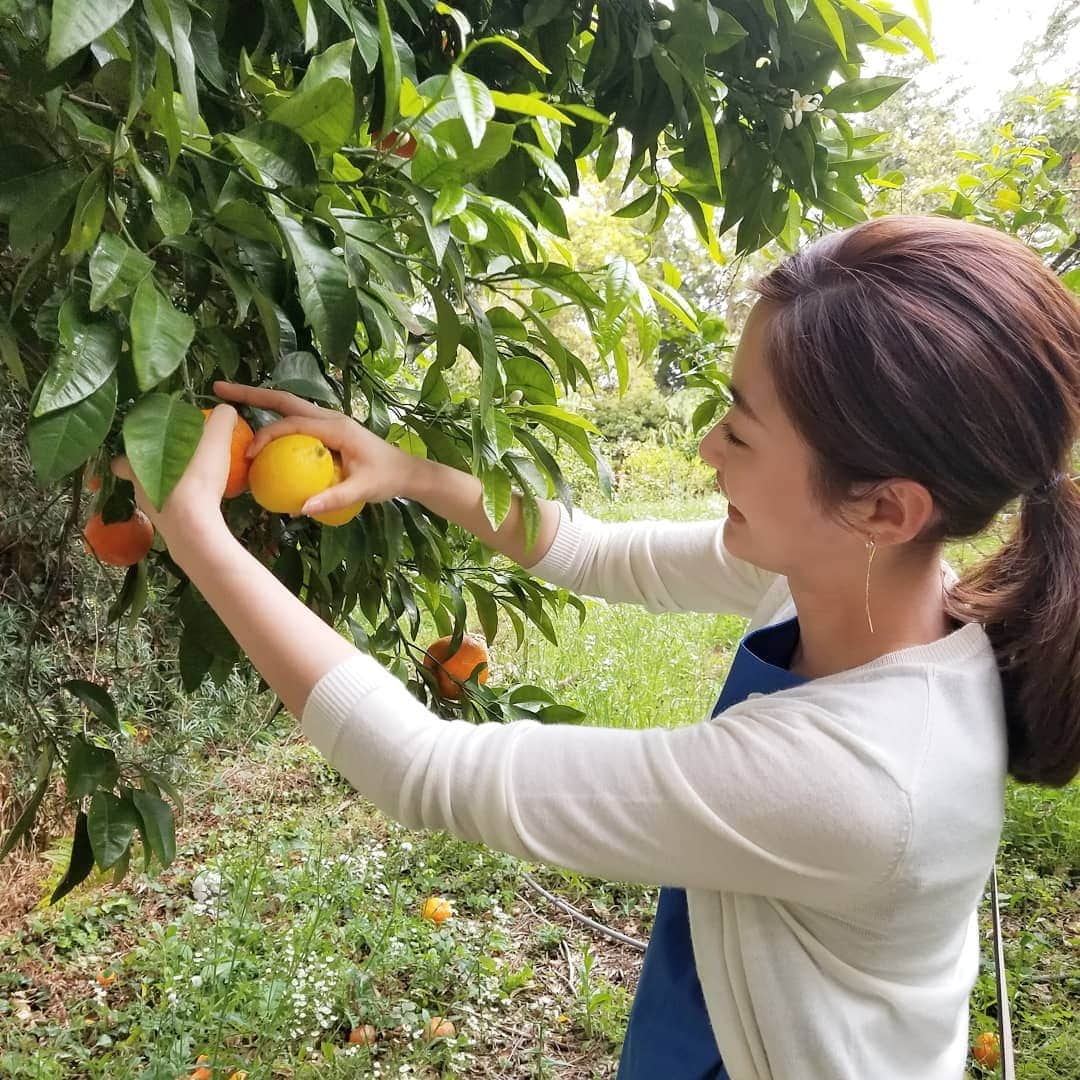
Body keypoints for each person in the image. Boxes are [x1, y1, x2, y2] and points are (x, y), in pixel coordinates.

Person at [111, 214, 1080, 1080]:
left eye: (740, 432)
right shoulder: (858, 579)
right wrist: (405, 471)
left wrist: (199, 536)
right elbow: (593, 549)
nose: (705, 449)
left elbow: (425, 768)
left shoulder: (864, 778)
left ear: (883, 506)